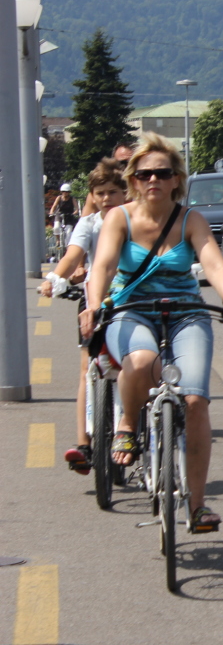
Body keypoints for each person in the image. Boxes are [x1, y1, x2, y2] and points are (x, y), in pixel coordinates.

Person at [82, 132, 223, 533]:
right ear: (133, 180)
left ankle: (197, 505)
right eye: (143, 174)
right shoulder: (117, 218)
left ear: (176, 178)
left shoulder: (190, 219)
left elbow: (213, 262)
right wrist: (93, 305)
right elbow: (103, 267)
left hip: (186, 314)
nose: (153, 180)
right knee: (140, 361)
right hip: (131, 311)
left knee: (195, 401)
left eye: (162, 172)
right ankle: (126, 426)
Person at [39, 161, 128, 471]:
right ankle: (84, 445)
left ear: (125, 193)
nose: (106, 198)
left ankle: (133, 428)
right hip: (94, 300)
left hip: (129, 300)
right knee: (86, 370)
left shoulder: (134, 221)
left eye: (113, 192)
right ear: (92, 195)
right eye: (100, 193)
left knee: (133, 364)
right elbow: (72, 256)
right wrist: (53, 279)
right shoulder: (88, 224)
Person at [82, 143, 135, 217]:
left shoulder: (148, 191)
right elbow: (85, 224)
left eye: (133, 163)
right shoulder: (98, 194)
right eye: (122, 163)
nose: (128, 168)